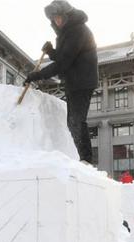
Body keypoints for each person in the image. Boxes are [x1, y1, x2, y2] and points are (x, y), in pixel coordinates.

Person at [24, 0, 98, 164]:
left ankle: (86, 159)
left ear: (67, 16)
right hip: (74, 81)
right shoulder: (66, 32)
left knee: (76, 121)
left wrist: (37, 75)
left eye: (59, 17)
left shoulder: (77, 30)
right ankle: (84, 158)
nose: (57, 21)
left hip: (82, 80)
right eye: (54, 18)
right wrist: (51, 51)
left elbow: (64, 62)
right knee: (73, 121)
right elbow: (64, 57)